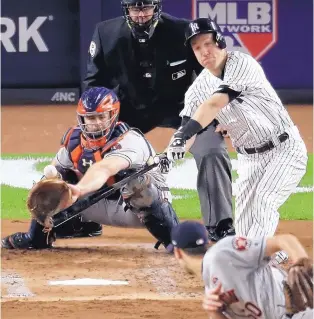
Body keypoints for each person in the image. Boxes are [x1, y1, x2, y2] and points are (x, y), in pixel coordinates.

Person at [83, 0, 235, 241]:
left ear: (157, 7)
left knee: (211, 149)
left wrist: (224, 116)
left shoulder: (183, 31)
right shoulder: (106, 34)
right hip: (130, 109)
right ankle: (86, 218)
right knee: (92, 145)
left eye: (147, 7)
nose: (141, 14)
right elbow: (93, 83)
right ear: (126, 10)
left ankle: (220, 225)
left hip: (182, 106)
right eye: (135, 8)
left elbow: (213, 75)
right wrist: (95, 123)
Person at [167, 18, 308, 239]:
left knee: (263, 201)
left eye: (207, 44)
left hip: (284, 150)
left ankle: (260, 263)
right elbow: (187, 129)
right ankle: (270, 256)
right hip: (249, 161)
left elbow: (214, 104)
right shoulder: (197, 89)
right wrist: (172, 151)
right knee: (243, 232)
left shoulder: (242, 63)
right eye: (197, 48)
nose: (204, 52)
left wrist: (182, 135)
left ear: (220, 41)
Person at [1, 87, 178, 252]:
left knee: (137, 184)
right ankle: (41, 238)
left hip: (137, 210)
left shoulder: (129, 141)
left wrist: (80, 189)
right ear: (82, 118)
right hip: (94, 205)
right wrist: (53, 187)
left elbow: (105, 168)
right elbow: (55, 171)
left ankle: (175, 240)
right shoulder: (74, 141)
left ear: (113, 116)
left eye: (103, 117)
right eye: (91, 118)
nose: (97, 123)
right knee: (52, 185)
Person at [171, 221, 313, 319]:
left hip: (305, 317)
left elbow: (284, 240)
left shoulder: (223, 252)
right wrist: (215, 313)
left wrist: (303, 266)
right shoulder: (212, 292)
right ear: (207, 242)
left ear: (177, 253)